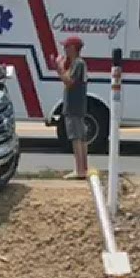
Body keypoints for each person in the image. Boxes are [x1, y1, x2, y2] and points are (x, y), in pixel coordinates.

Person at [58, 35, 90, 178]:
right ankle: (84, 168)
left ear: (73, 48)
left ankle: (80, 170)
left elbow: (69, 82)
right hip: (77, 105)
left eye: (66, 47)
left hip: (74, 106)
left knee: (76, 138)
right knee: (81, 137)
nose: (64, 50)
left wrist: (59, 69)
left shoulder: (78, 63)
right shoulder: (77, 63)